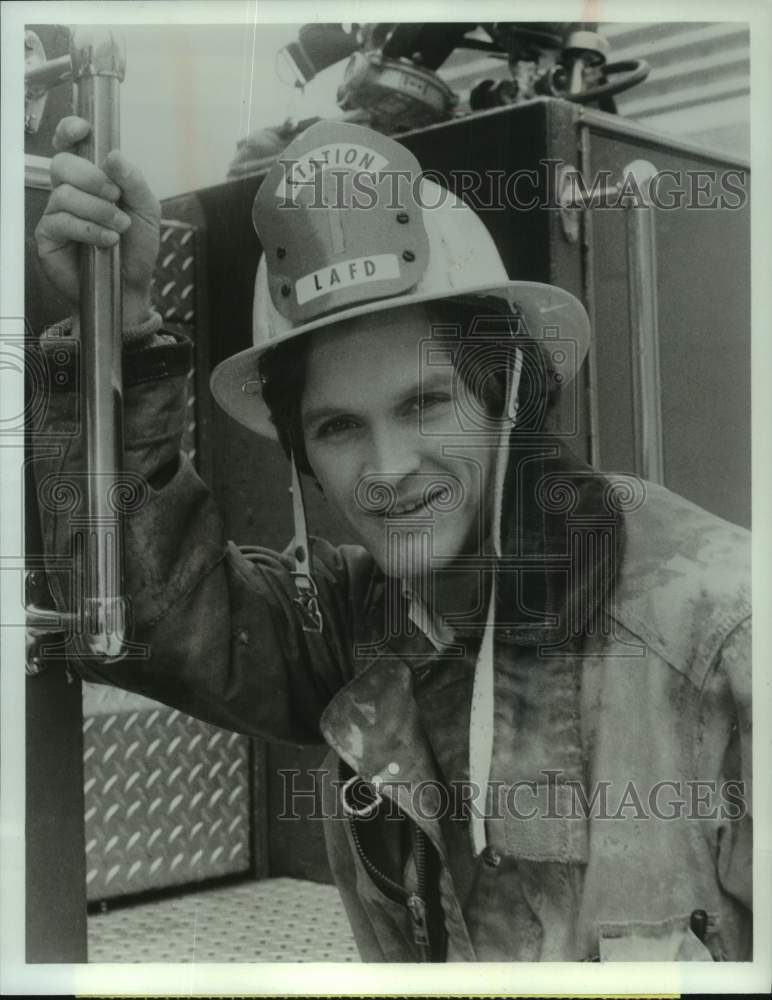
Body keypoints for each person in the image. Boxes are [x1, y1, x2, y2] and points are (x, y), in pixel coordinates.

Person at [33, 116, 751, 963]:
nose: (388, 469)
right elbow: (151, 612)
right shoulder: (368, 623)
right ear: (300, 455)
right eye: (338, 427)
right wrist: (111, 335)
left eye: (424, 404)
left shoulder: (721, 636)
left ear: (506, 395)